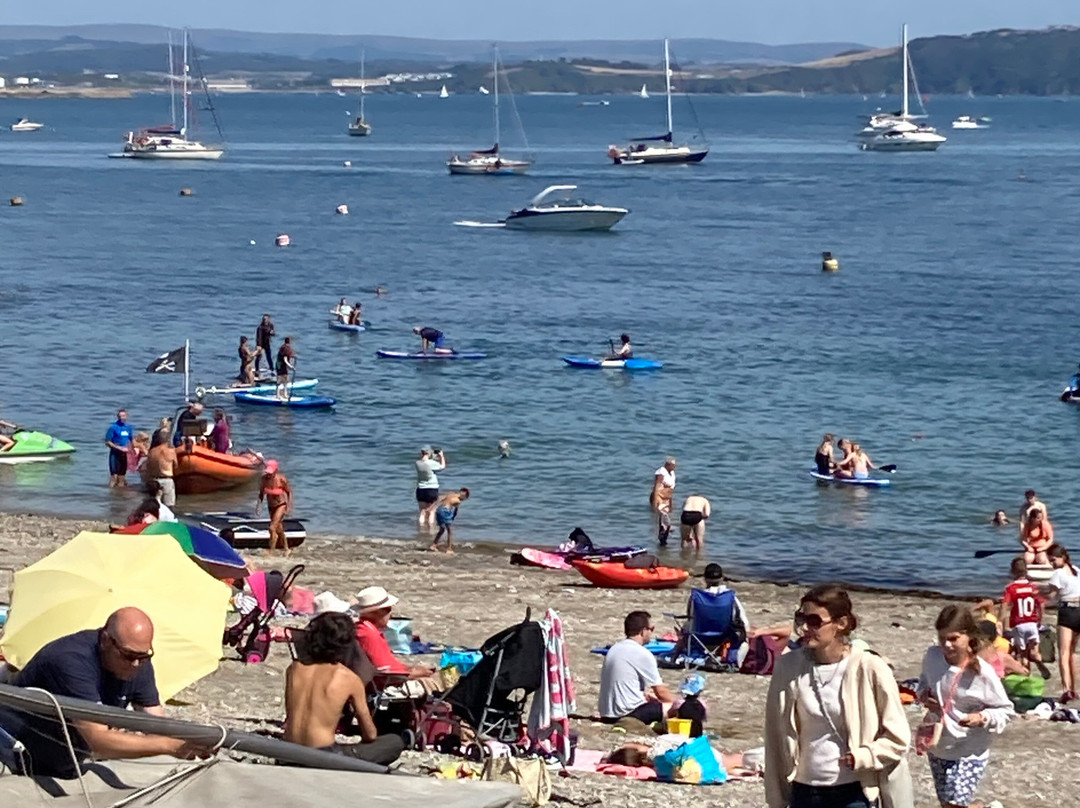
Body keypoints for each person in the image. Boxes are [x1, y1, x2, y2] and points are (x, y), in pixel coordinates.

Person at [0, 607, 212, 778]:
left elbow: (157, 723)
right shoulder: (70, 660)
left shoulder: (137, 660)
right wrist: (171, 747)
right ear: (105, 640)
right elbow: (99, 741)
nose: (137, 664)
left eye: (144, 656)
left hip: (64, 761)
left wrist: (196, 741)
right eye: (129, 656)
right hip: (13, 753)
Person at [765, 585, 911, 808]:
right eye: (800, 618)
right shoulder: (788, 667)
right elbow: (775, 738)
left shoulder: (870, 667)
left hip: (854, 791)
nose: (804, 627)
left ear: (841, 624)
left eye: (814, 621)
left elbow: (898, 737)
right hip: (804, 790)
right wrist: (777, 800)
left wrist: (863, 756)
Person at [917, 604, 1013, 808]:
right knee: (947, 804)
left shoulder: (983, 672)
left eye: (953, 639)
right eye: (942, 638)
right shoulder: (933, 657)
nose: (947, 645)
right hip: (940, 744)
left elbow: (1005, 710)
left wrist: (982, 717)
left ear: (968, 636)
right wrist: (924, 696)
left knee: (956, 804)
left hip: (971, 750)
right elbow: (924, 681)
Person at [284, 612, 404, 765]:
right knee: (394, 742)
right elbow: (370, 735)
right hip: (323, 757)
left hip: (288, 752)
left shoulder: (294, 669)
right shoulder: (349, 678)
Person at [353, 586, 439, 691]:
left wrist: (410, 668)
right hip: (389, 685)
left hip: (388, 680)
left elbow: (387, 664)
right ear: (376, 613)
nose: (391, 614)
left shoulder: (363, 629)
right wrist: (417, 673)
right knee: (447, 681)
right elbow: (385, 672)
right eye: (388, 609)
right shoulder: (369, 635)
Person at [598, 611, 674, 726]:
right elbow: (661, 692)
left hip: (607, 714)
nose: (652, 632)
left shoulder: (614, 649)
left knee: (651, 699)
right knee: (676, 708)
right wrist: (678, 704)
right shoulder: (642, 653)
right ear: (643, 631)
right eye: (651, 629)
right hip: (627, 714)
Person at [999, 557, 1047, 675]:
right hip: (1032, 623)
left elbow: (1004, 606)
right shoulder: (1032, 587)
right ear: (1026, 571)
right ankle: (1038, 659)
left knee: (1022, 653)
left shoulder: (1011, 588)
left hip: (1019, 624)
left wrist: (1000, 621)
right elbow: (1041, 604)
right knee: (1035, 650)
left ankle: (1026, 674)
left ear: (1012, 571)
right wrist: (1039, 619)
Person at [1044, 544, 1080, 704]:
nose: (1052, 564)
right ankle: (1075, 689)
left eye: (1053, 560)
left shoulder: (1057, 574)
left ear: (1062, 558)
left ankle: (1066, 690)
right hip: (1079, 610)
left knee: (1064, 653)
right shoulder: (1077, 571)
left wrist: (1037, 597)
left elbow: (1051, 596)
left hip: (1067, 612)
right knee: (1072, 653)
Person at [257, 459, 292, 556]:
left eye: (271, 473)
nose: (269, 475)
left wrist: (289, 506)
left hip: (281, 504)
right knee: (279, 528)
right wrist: (259, 506)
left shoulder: (281, 479)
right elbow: (261, 493)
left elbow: (289, 492)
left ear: (276, 471)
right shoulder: (264, 480)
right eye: (268, 472)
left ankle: (271, 551)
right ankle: (286, 548)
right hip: (271, 505)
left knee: (272, 528)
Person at [414, 445, 445, 529]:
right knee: (432, 511)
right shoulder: (432, 463)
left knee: (422, 512)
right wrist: (441, 456)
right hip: (431, 489)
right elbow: (442, 466)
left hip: (420, 489)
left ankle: (421, 528)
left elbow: (426, 463)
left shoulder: (417, 463)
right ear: (428, 452)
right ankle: (431, 530)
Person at [431, 488, 469, 553]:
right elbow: (455, 512)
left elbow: (440, 499)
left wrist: (432, 507)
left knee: (442, 530)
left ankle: (434, 545)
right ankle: (449, 549)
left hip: (439, 510)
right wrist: (452, 518)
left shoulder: (451, 494)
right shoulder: (458, 501)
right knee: (450, 531)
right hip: (445, 511)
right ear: (465, 497)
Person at [144, 438, 178, 508]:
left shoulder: (152, 451)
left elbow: (148, 467)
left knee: (154, 506)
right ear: (167, 440)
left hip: (154, 480)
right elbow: (176, 465)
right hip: (167, 479)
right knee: (169, 506)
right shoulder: (170, 451)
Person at [105, 409, 134, 487]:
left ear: (126, 416)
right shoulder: (113, 427)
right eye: (120, 416)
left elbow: (131, 441)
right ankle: (110, 495)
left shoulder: (128, 428)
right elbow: (107, 442)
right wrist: (118, 448)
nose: (122, 418)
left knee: (122, 476)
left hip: (125, 454)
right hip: (115, 454)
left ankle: (120, 496)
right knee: (114, 477)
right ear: (117, 417)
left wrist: (133, 452)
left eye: (123, 416)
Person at [651, 457, 677, 546]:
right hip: (660, 497)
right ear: (667, 464)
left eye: (675, 465)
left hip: (667, 498)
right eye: (673, 465)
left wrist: (671, 503)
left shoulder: (672, 473)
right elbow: (656, 487)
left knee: (664, 522)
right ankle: (662, 540)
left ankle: (663, 541)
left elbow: (671, 490)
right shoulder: (661, 472)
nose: (674, 467)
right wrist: (655, 502)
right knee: (665, 521)